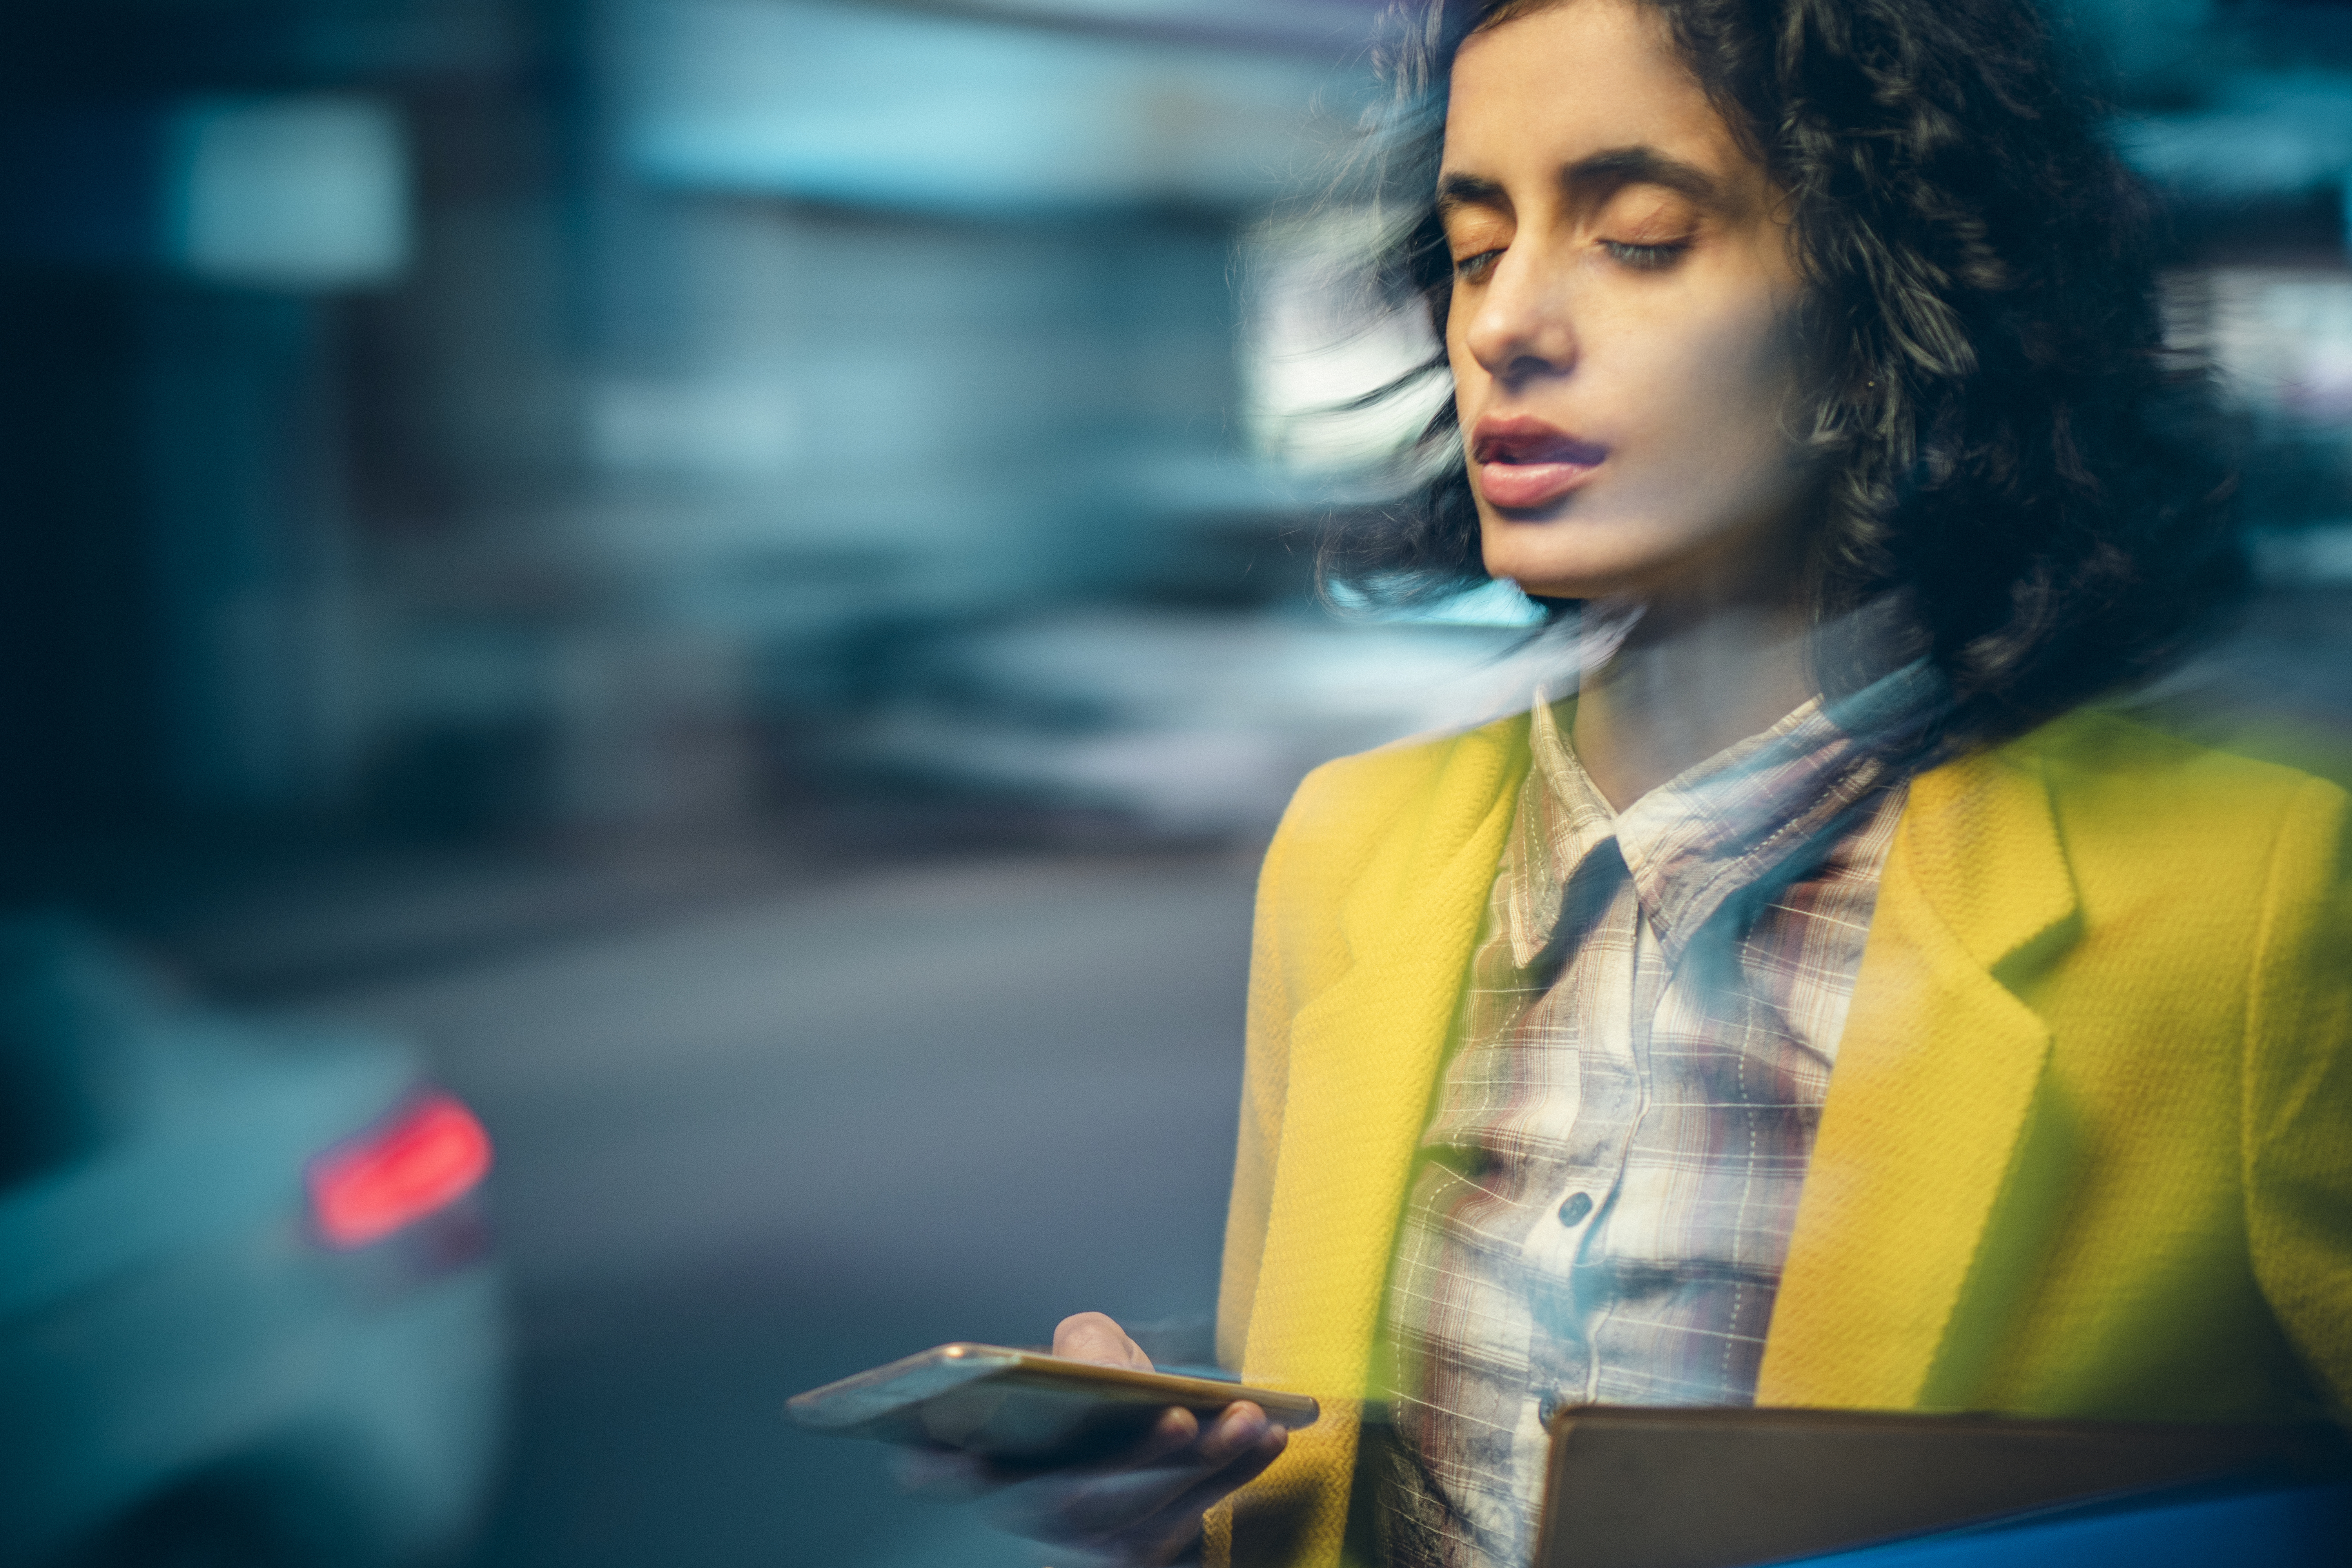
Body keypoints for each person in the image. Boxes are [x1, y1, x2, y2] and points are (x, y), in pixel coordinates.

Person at [899, 0, 2352, 1564]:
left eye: (1643, 235)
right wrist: (1166, 1504)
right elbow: (1299, 1514)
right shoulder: (1351, 848)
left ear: (1885, 305)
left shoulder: (2263, 896)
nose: (1504, 323)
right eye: (1473, 249)